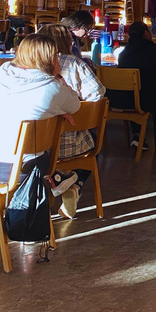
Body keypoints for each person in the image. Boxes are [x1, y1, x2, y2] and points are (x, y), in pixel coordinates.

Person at [0, 34, 80, 198]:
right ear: (49, 59)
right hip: (13, 168)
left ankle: (54, 180)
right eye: (55, 57)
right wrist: (59, 82)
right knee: (47, 155)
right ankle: (54, 180)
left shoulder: (0, 72)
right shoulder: (53, 88)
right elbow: (75, 104)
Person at [40, 24, 106, 213]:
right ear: (68, 43)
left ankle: (63, 180)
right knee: (93, 146)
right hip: (68, 142)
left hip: (35, 146)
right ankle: (74, 186)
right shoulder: (75, 63)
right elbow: (98, 94)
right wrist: (76, 108)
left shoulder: (30, 65)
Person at [114, 21, 156, 153]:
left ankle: (137, 136)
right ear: (145, 33)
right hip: (150, 101)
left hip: (126, 100)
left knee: (136, 93)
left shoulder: (124, 53)